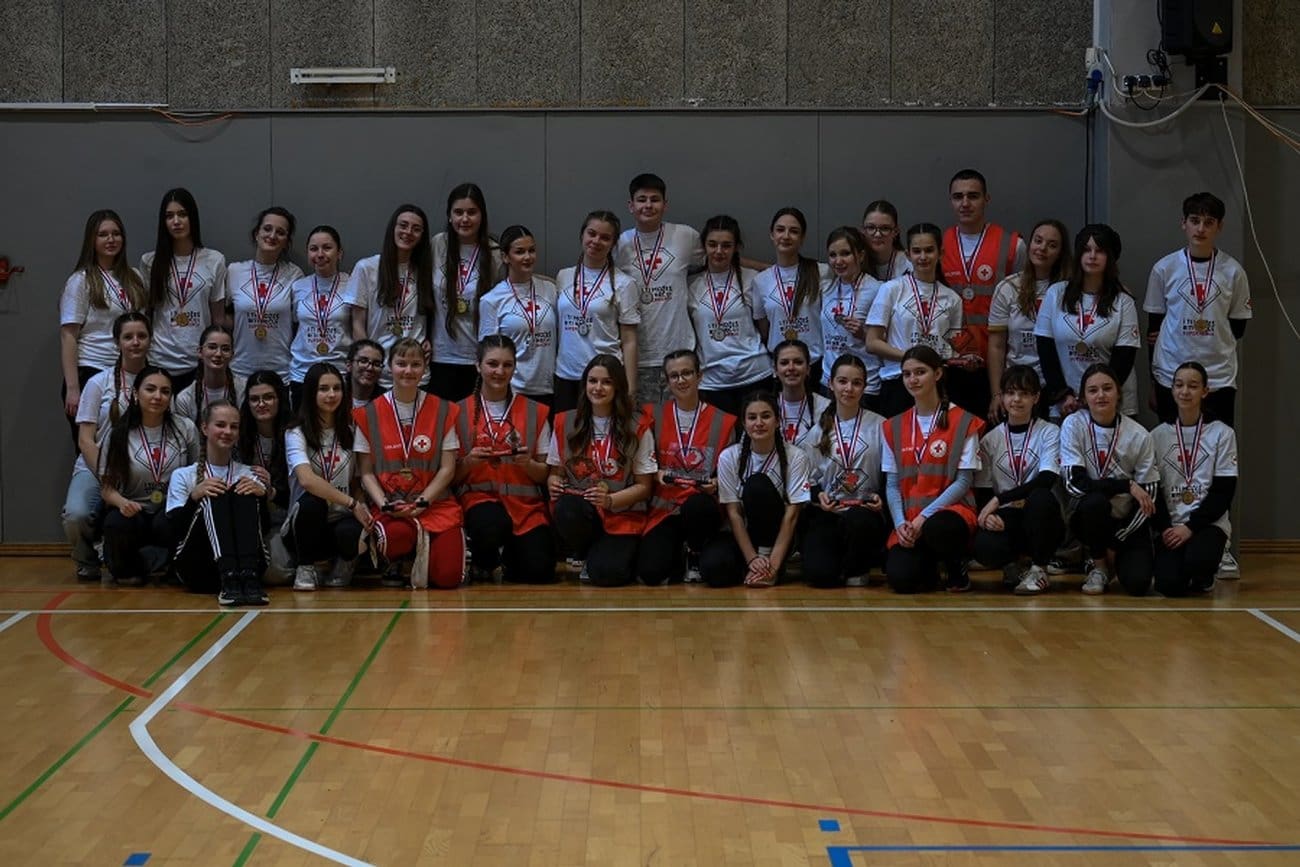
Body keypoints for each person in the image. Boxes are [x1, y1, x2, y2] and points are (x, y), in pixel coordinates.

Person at [354, 338, 464, 589]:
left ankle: (430, 553)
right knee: (395, 538)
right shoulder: (368, 414)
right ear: (389, 366)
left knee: (447, 578)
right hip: (391, 505)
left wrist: (422, 502)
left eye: (415, 364)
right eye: (401, 363)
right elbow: (366, 473)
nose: (408, 370)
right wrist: (385, 504)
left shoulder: (444, 410)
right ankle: (399, 559)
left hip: (434, 504)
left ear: (425, 368)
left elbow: (448, 468)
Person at [881, 346, 984, 594]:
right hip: (910, 519)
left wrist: (923, 518)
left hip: (949, 515)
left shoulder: (963, 420)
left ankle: (955, 564)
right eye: (907, 374)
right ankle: (928, 567)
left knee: (941, 528)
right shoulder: (893, 425)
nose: (913, 379)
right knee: (901, 579)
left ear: (937, 374)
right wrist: (901, 524)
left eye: (920, 372)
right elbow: (892, 485)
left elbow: (963, 482)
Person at [1144, 192, 1252, 428]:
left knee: (1217, 443)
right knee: (1171, 444)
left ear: (1219, 227)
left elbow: (1238, 328)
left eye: (1209, 222)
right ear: (1184, 223)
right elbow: (1153, 329)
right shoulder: (1164, 268)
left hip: (1217, 377)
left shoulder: (1234, 272)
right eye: (1194, 221)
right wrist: (1153, 380)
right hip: (1171, 374)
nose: (1201, 229)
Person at [453, 335, 555, 583]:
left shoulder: (535, 411)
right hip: (479, 502)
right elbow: (449, 478)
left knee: (539, 572)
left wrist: (528, 464)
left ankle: (510, 556)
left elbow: (544, 474)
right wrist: (468, 462)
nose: (499, 371)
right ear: (478, 366)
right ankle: (483, 559)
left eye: (507, 365)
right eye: (492, 364)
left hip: (525, 507)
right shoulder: (457, 411)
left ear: (515, 367)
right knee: (490, 525)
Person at [547, 354, 655, 586]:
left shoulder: (638, 426)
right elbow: (555, 472)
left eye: (606, 382)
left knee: (609, 575)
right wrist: (552, 483)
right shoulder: (565, 422)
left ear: (618, 387)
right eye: (593, 381)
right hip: (583, 511)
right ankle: (586, 551)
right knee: (566, 509)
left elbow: (645, 487)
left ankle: (615, 554)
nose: (598, 388)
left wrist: (610, 500)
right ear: (584, 384)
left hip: (622, 514)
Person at [62, 312, 151, 581]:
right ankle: (87, 560)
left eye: (141, 336)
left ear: (150, 340)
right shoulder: (97, 383)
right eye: (128, 337)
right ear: (117, 342)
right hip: (97, 467)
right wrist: (107, 476)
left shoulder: (158, 381)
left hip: (145, 469)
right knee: (76, 514)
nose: (135, 342)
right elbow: (85, 440)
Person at [637, 350, 737, 585]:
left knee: (698, 507)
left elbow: (731, 473)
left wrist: (717, 483)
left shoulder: (724, 421)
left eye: (687, 373)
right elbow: (642, 464)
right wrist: (654, 473)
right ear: (667, 381)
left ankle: (696, 552)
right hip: (666, 510)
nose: (681, 380)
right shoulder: (652, 415)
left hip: (703, 508)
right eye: (674, 376)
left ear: (699, 376)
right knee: (651, 573)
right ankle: (677, 555)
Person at [1060, 364, 1158, 596]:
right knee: (1094, 502)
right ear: (1083, 397)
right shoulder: (1074, 425)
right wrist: (1125, 485)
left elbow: (1148, 496)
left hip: (1128, 521)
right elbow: (1074, 485)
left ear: (1119, 393)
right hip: (1090, 516)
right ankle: (1099, 566)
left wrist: (1117, 541)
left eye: (1107, 388)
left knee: (1138, 584)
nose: (1101, 395)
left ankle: (1111, 558)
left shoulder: (1139, 435)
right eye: (1093, 390)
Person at [98, 366, 200, 586]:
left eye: (165, 391)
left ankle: (173, 567)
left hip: (170, 509)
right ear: (136, 393)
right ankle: (131, 569)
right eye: (150, 389)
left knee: (177, 520)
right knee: (116, 522)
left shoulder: (185, 429)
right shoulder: (118, 433)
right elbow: (106, 489)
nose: (157, 396)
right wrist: (123, 503)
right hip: (134, 510)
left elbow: (197, 472)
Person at [700, 392, 810, 587]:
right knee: (715, 570)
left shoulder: (796, 456)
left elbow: (792, 515)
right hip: (745, 534)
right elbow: (734, 513)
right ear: (744, 423)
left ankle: (768, 562)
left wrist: (772, 566)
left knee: (757, 485)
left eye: (766, 416)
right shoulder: (728, 457)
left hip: (778, 536)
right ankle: (752, 566)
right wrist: (751, 558)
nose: (759, 423)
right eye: (752, 417)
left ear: (777, 422)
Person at [972, 364, 1065, 594]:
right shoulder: (990, 440)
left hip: (1039, 516)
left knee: (1041, 498)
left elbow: (1046, 479)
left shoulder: (1049, 432)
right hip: (1008, 517)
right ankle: (1011, 565)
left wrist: (999, 499)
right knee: (983, 545)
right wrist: (989, 514)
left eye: (1024, 393)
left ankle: (1039, 569)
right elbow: (984, 489)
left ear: (1036, 398)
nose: (1016, 399)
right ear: (1002, 397)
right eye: (1010, 393)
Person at [614, 173, 705, 406]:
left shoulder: (685, 236)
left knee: (681, 423)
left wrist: (766, 268)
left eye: (654, 199)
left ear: (665, 204)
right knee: (643, 424)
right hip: (638, 357)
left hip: (679, 353)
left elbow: (717, 260)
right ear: (631, 205)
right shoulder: (619, 244)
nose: (648, 205)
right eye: (641, 199)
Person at [166, 400, 269, 606]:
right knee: (215, 492)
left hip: (248, 572)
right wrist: (194, 498)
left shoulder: (249, 473)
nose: (227, 431)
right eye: (220, 425)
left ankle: (248, 576)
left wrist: (262, 498)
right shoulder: (182, 475)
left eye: (234, 426)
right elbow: (174, 530)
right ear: (205, 428)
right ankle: (228, 576)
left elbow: (263, 528)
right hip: (198, 568)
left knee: (242, 491)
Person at [942, 169, 1027, 417]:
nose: (965, 203)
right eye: (958, 196)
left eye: (973, 196)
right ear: (950, 201)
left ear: (986, 199)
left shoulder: (1012, 245)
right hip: (951, 361)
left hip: (996, 360)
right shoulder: (937, 244)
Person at [1035, 224, 1142, 417]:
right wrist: (1062, 394)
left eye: (1099, 251)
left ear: (1110, 257)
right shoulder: (1056, 293)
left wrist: (1092, 397)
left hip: (1109, 404)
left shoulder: (1123, 301)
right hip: (1065, 403)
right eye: (1086, 249)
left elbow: (1124, 359)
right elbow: (1045, 349)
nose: (1092, 256)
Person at [1151, 361, 1238, 595]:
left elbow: (1224, 491)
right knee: (1167, 585)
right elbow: (1153, 489)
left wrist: (1190, 527)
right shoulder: (1157, 435)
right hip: (1172, 525)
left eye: (1193, 386)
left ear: (1205, 391)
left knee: (1199, 562)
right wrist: (1166, 528)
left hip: (1207, 524)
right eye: (1179, 385)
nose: (1185, 391)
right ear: (1172, 390)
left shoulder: (1222, 433)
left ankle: (1204, 575)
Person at [801, 354, 888, 588]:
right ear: (831, 384)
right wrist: (818, 496)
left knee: (860, 522)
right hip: (831, 512)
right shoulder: (817, 431)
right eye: (842, 381)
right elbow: (808, 480)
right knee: (819, 576)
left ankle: (858, 566)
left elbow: (892, 475)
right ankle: (836, 562)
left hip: (865, 513)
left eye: (856, 383)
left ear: (864, 387)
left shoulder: (881, 425)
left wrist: (881, 497)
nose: (849, 389)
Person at [284, 363, 372, 591]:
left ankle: (346, 561)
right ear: (311, 393)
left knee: (353, 529)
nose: (331, 395)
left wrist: (361, 505)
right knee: (312, 503)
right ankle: (305, 566)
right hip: (304, 524)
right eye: (323, 389)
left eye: (336, 388)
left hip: (341, 518)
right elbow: (306, 480)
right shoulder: (296, 432)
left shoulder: (352, 431)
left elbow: (355, 482)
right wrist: (352, 504)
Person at [59, 210, 148, 431]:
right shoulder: (80, 281)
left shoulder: (134, 277)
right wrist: (73, 388)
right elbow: (68, 336)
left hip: (129, 371)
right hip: (93, 369)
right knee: (91, 444)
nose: (111, 239)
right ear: (92, 239)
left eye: (116, 233)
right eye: (103, 234)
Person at [865, 223, 964, 418]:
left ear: (941, 253)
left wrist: (960, 358)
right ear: (908, 255)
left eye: (929, 250)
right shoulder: (891, 289)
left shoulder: (952, 299)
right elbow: (872, 342)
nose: (923, 257)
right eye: (917, 251)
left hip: (935, 384)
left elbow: (952, 347)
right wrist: (912, 360)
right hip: (898, 381)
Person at [141, 188, 228, 390]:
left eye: (182, 214)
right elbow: (146, 313)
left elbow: (218, 318)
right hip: (159, 361)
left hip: (199, 362)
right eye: (169, 216)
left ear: (193, 218)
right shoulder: (150, 262)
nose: (176, 221)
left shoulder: (214, 260)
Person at [553, 211, 640, 411]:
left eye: (605, 237)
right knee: (567, 429)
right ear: (582, 235)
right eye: (591, 233)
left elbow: (629, 340)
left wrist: (630, 388)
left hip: (605, 377)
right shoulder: (563, 276)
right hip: (566, 375)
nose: (596, 241)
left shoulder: (624, 283)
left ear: (613, 244)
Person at [987, 219, 1071, 419]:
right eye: (1038, 241)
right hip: (1017, 386)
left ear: (1061, 252)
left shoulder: (1070, 289)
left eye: (1052, 245)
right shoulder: (1008, 287)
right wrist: (997, 394)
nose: (1042, 248)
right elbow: (996, 346)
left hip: (1057, 386)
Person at [687, 216, 770, 417]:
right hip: (713, 382)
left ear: (736, 248)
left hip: (755, 375)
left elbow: (764, 329)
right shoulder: (691, 285)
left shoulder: (752, 279)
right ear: (703, 247)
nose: (719, 251)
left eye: (726, 245)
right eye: (712, 244)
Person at [345, 204, 434, 386]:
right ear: (393, 228)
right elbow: (357, 323)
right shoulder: (366, 268)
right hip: (379, 373)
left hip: (416, 373)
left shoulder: (425, 270)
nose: (408, 232)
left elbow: (430, 315)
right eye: (403, 225)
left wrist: (430, 340)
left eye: (416, 229)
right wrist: (368, 361)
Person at [430, 183, 500, 401]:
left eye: (472, 212)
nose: (465, 219)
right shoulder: (437, 245)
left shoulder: (495, 253)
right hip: (440, 357)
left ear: (482, 215)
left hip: (477, 359)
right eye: (458, 212)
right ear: (449, 216)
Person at [477, 224, 558, 406]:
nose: (527, 257)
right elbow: (488, 351)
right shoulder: (491, 300)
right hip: (513, 389)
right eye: (520, 252)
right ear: (505, 257)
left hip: (548, 388)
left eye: (532, 250)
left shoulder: (550, 290)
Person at [227, 206, 302, 381]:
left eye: (280, 232)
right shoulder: (234, 271)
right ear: (256, 234)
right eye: (267, 229)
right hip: (240, 371)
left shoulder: (295, 275)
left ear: (286, 242)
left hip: (281, 373)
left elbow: (300, 322)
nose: (272, 236)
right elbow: (221, 316)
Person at [752, 208, 826, 383]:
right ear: (772, 234)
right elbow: (764, 328)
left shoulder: (821, 272)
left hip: (815, 363)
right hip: (782, 366)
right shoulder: (760, 281)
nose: (786, 236)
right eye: (780, 230)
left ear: (802, 237)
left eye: (794, 231)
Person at [288, 226, 352, 409]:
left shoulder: (352, 284)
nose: (320, 254)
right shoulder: (298, 286)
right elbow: (294, 326)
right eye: (314, 249)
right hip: (302, 373)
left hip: (339, 373)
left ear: (339, 253)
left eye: (327, 248)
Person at [820, 227, 882, 410]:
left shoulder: (877, 289)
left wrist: (864, 334)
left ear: (860, 255)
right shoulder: (827, 287)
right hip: (830, 382)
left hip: (863, 383)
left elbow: (891, 338)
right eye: (833, 255)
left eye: (845, 254)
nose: (838, 261)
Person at [238, 372, 292, 544]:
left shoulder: (294, 434)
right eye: (254, 399)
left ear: (279, 399)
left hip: (287, 512)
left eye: (268, 397)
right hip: (251, 511)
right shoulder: (239, 435)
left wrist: (272, 491)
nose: (261, 404)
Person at [172, 325, 245, 426]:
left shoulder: (244, 390)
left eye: (225, 349)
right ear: (200, 352)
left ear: (232, 355)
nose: (218, 354)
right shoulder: (185, 399)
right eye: (212, 347)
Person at [772, 340, 831, 463]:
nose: (791, 368)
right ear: (775, 370)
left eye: (798, 362)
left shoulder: (827, 407)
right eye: (784, 363)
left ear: (808, 369)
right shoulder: (764, 407)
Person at [861, 200, 910, 282]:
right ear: (863, 230)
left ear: (896, 231)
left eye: (885, 228)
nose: (877, 234)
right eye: (871, 228)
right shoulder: (854, 263)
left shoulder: (908, 265)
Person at [346, 338, 387, 409]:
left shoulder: (387, 400)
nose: (370, 368)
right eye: (363, 361)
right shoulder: (336, 396)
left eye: (376, 364)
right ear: (349, 365)